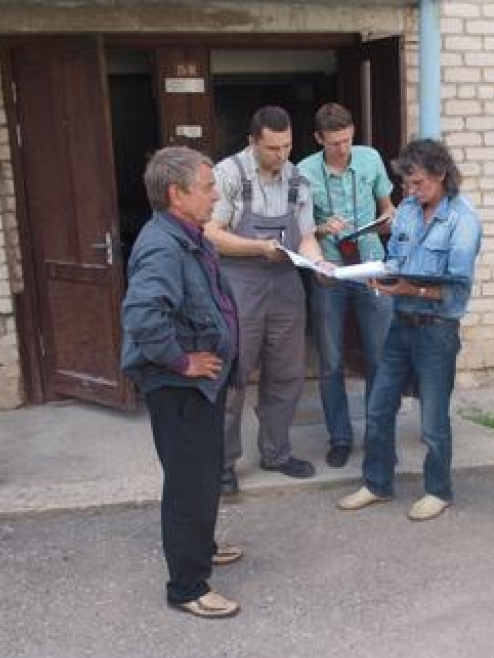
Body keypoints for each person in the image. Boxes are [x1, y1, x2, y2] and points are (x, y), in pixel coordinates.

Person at [121, 146, 242, 619]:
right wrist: (180, 362)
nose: (215, 195)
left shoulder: (187, 235)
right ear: (177, 193)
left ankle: (202, 545)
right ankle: (188, 587)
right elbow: (143, 314)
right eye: (208, 187)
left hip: (200, 388)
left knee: (203, 471)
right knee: (188, 482)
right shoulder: (161, 245)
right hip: (179, 388)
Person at [337, 139, 483, 522]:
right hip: (400, 323)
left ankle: (438, 490)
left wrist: (412, 288)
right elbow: (396, 261)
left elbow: (456, 286)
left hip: (437, 330)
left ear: (441, 176)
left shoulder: (463, 220)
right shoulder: (405, 211)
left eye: (418, 183)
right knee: (379, 407)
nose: (410, 191)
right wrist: (381, 275)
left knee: (433, 419)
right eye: (407, 183)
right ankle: (377, 483)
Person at [206, 105, 331, 495]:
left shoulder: (299, 179)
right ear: (252, 142)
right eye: (273, 148)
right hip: (239, 285)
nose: (282, 156)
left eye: (288, 146)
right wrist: (259, 247)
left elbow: (307, 236)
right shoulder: (227, 175)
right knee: (234, 376)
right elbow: (211, 231)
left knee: (287, 373)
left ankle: (276, 453)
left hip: (286, 284)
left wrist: (320, 263)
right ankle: (223, 463)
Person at [297, 103, 396, 469]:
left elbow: (388, 209)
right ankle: (339, 437)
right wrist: (324, 230)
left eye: (347, 140)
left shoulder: (370, 159)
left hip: (370, 266)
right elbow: (301, 230)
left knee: (379, 358)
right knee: (331, 361)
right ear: (318, 139)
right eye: (334, 143)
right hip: (330, 271)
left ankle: (377, 435)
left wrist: (386, 221)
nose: (342, 149)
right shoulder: (303, 171)